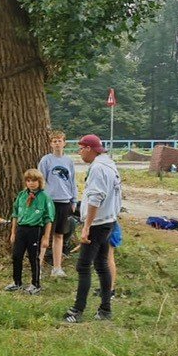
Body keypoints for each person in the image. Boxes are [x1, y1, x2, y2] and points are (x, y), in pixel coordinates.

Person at [63, 134, 122, 323]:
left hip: (97, 223)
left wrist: (87, 226)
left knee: (83, 265)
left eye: (80, 148)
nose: (79, 153)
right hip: (108, 220)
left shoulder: (97, 168)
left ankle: (77, 310)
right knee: (102, 264)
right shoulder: (109, 164)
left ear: (89, 148)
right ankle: (105, 309)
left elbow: (96, 197)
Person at [6, 169, 54, 294]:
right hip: (21, 229)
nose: (31, 183)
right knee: (17, 256)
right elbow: (15, 214)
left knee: (34, 257)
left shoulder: (45, 198)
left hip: (35, 229)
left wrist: (46, 237)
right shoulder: (22, 195)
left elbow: (49, 218)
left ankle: (35, 284)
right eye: (28, 181)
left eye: (34, 180)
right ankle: (17, 282)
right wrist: (13, 232)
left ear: (39, 182)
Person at [37, 129, 78, 277]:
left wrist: (74, 199)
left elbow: (72, 181)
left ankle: (57, 267)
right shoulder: (46, 160)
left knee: (59, 234)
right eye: (54, 141)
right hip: (49, 201)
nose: (57, 143)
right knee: (45, 235)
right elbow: (40, 180)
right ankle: (38, 266)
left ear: (64, 143)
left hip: (64, 201)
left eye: (59, 141)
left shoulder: (69, 161)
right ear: (51, 144)